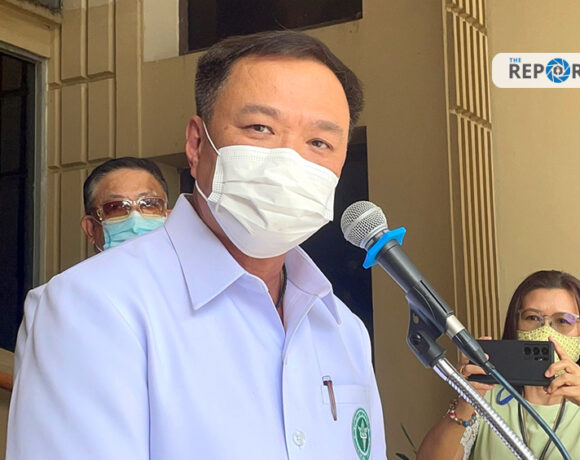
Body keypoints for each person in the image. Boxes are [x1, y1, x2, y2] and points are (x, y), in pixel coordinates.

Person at [8, 30, 387, 459]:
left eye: (319, 142)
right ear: (196, 144)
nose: (289, 160)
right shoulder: (93, 307)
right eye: (260, 128)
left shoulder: (343, 330)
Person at [12, 157, 169, 378]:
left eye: (149, 204)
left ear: (168, 216)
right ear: (91, 229)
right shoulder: (54, 303)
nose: (135, 219)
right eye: (116, 207)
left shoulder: (205, 294)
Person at [417, 270, 580, 460]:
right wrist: (466, 402)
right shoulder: (486, 393)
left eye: (563, 321)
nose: (546, 332)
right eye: (533, 318)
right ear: (515, 324)